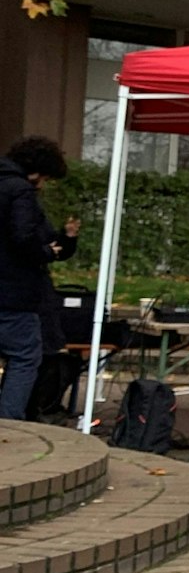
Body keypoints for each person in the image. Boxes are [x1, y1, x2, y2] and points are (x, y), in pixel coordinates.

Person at [0, 137, 79, 422]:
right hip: (14, 293)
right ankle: (9, 425)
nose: (42, 184)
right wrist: (46, 251)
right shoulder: (21, 191)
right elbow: (24, 238)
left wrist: (63, 242)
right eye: (43, 177)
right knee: (24, 357)